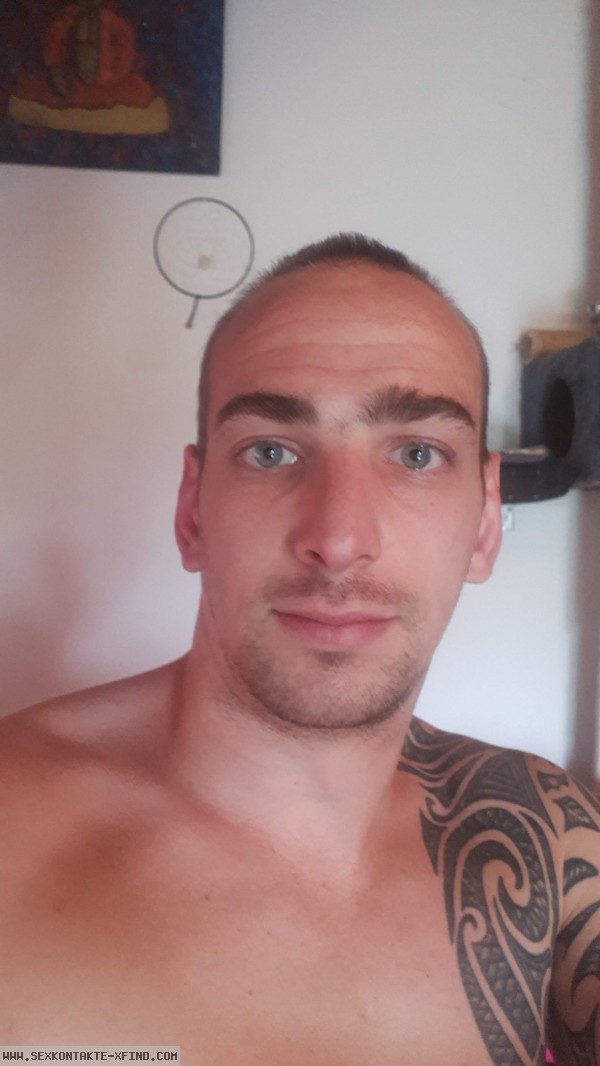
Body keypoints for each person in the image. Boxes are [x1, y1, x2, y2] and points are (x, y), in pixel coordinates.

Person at [1, 233, 598, 1064]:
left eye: (417, 454)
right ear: (193, 512)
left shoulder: (548, 830)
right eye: (271, 451)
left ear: (486, 521)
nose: (339, 539)